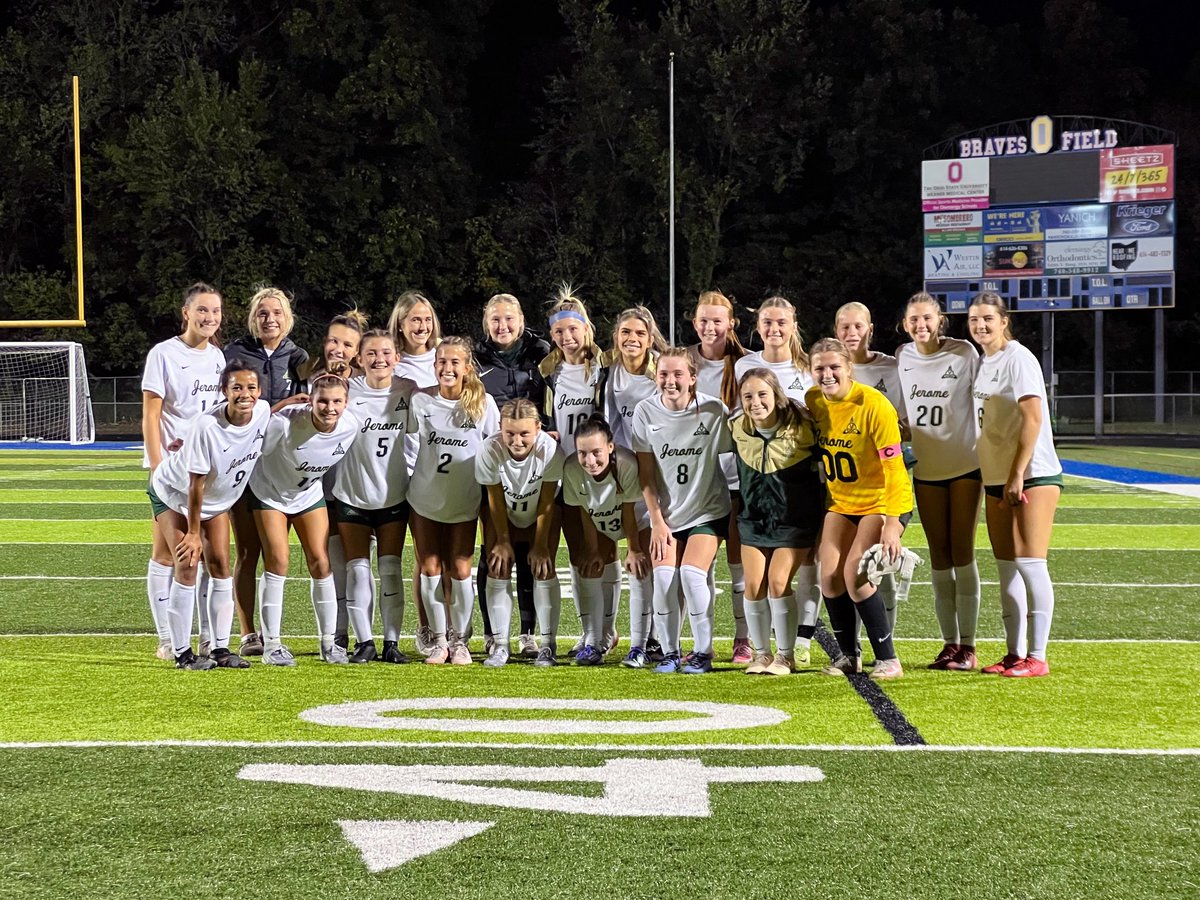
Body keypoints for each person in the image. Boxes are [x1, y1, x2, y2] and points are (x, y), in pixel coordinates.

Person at [147, 361, 270, 669]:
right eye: (237, 388)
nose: (245, 394)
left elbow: (272, 413)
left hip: (214, 500)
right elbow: (195, 484)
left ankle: (220, 649)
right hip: (175, 493)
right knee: (188, 565)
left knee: (220, 567)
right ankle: (182, 654)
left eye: (251, 387)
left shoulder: (264, 411)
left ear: (260, 391)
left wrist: (293, 401)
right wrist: (192, 533)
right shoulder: (207, 426)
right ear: (224, 391)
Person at [806, 337, 913, 681]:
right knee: (829, 578)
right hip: (841, 503)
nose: (827, 374)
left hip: (880, 502)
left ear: (849, 368)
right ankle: (848, 656)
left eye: (834, 367)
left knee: (856, 576)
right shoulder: (813, 401)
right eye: (819, 368)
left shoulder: (874, 404)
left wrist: (893, 524)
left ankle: (888, 659)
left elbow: (895, 469)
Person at [969, 292, 1062, 678]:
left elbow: (1033, 418)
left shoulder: (1018, 358)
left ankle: (1037, 656)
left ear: (1004, 321)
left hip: (1030, 474)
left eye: (988, 318)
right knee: (1007, 567)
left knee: (1030, 562)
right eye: (974, 320)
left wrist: (1018, 473)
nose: (980, 325)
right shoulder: (984, 361)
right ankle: (1014, 653)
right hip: (997, 476)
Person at [247, 369, 360, 666]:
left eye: (337, 401)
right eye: (323, 401)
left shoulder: (350, 426)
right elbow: (253, 443)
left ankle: (329, 643)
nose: (330, 408)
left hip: (308, 495)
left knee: (321, 561)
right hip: (270, 492)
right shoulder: (284, 424)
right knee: (278, 561)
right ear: (310, 400)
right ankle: (272, 646)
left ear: (346, 402)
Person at [632, 347, 733, 674]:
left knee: (691, 574)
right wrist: (657, 522)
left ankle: (702, 652)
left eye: (678, 374)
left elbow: (738, 449)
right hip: (667, 515)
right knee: (663, 579)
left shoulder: (713, 410)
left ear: (692, 377)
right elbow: (646, 475)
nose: (670, 381)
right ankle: (671, 653)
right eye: (663, 374)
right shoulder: (645, 412)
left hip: (707, 511)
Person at [897, 292, 982, 670]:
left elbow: (983, 400)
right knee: (939, 556)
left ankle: (969, 646)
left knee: (962, 552)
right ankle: (949, 643)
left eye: (927, 318)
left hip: (965, 465)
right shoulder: (903, 356)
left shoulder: (964, 352)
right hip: (926, 469)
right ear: (905, 324)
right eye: (914, 319)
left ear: (940, 320)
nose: (921, 325)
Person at [141, 282, 226, 661]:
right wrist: (157, 466)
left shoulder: (218, 357)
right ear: (186, 313)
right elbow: (151, 414)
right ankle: (167, 639)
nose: (209, 317)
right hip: (173, 473)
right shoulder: (163, 354)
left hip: (205, 472)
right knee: (173, 555)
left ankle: (207, 639)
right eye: (202, 310)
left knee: (200, 555)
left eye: (215, 311)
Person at [223, 288, 309, 658]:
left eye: (276, 312)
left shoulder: (299, 357)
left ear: (288, 317)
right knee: (247, 550)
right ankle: (248, 632)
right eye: (262, 313)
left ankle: (273, 630)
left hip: (284, 468)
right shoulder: (235, 353)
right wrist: (279, 406)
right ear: (252, 318)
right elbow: (230, 408)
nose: (270, 319)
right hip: (243, 464)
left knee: (277, 554)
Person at [408, 336, 501, 665]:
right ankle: (438, 641)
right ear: (434, 366)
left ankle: (460, 640)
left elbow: (496, 448)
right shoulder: (421, 401)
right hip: (424, 498)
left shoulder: (483, 403)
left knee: (460, 570)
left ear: (467, 367)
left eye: (454, 362)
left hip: (464, 500)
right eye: (442, 362)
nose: (447, 368)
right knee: (430, 568)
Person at [729, 369, 823, 675]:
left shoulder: (804, 427)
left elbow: (824, 474)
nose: (755, 402)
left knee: (778, 582)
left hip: (794, 521)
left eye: (762, 394)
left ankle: (785, 656)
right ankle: (761, 654)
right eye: (748, 396)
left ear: (776, 395)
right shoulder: (736, 428)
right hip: (753, 520)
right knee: (752, 585)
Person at [332, 329, 418, 664]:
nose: (379, 359)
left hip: (393, 494)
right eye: (371, 353)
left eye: (385, 353)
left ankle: (392, 642)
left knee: (391, 569)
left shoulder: (408, 390)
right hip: (352, 493)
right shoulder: (347, 390)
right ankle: (364, 641)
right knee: (357, 569)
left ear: (397, 357)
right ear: (359, 358)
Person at [834, 301, 913, 656]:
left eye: (858, 326)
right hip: (843, 488)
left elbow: (907, 424)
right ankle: (849, 650)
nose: (851, 333)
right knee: (836, 569)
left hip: (883, 486)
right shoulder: (826, 372)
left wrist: (884, 432)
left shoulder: (891, 367)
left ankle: (886, 647)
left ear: (870, 329)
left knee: (873, 567)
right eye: (844, 326)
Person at [475, 293, 550, 658]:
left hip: (534, 455)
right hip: (493, 457)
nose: (502, 326)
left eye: (509, 319)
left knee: (529, 550)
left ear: (521, 320)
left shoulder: (542, 352)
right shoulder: (476, 358)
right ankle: (493, 632)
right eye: (495, 319)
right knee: (493, 550)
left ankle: (528, 633)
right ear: (486, 323)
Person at [538, 286, 611, 656]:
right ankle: (588, 633)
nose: (567, 337)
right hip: (564, 473)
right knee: (578, 557)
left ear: (586, 328)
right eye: (559, 331)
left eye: (572, 329)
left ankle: (605, 633)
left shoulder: (604, 367)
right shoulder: (547, 372)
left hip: (598, 471)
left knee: (602, 554)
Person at [475, 398, 563, 667]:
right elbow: (494, 498)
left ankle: (547, 645)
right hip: (505, 511)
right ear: (500, 428)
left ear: (538, 428)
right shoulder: (490, 449)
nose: (516, 441)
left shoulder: (550, 450)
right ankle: (500, 645)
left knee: (543, 566)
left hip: (539, 511)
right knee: (498, 564)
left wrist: (540, 544)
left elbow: (547, 501)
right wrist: (503, 540)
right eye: (509, 433)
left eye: (524, 433)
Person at [689, 290, 751, 663]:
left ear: (731, 323)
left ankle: (743, 638)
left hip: (738, 479)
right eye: (703, 320)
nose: (710, 327)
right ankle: (703, 642)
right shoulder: (682, 360)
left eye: (717, 320)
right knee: (702, 566)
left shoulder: (746, 364)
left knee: (739, 563)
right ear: (694, 322)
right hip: (697, 481)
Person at [564, 415, 653, 667]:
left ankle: (639, 647)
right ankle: (595, 642)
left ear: (610, 447)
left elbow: (628, 511)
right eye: (582, 453)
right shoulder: (571, 469)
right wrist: (592, 549)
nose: (589, 461)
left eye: (596, 452)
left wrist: (633, 549)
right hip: (601, 519)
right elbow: (585, 509)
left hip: (637, 521)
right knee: (591, 566)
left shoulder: (626, 464)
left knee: (639, 570)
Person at [388, 290, 442, 654]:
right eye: (414, 320)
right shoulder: (391, 361)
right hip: (398, 467)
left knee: (435, 555)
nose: (421, 326)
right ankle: (424, 627)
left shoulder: (443, 357)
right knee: (418, 556)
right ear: (400, 324)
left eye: (426, 319)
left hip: (436, 469)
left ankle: (444, 626)